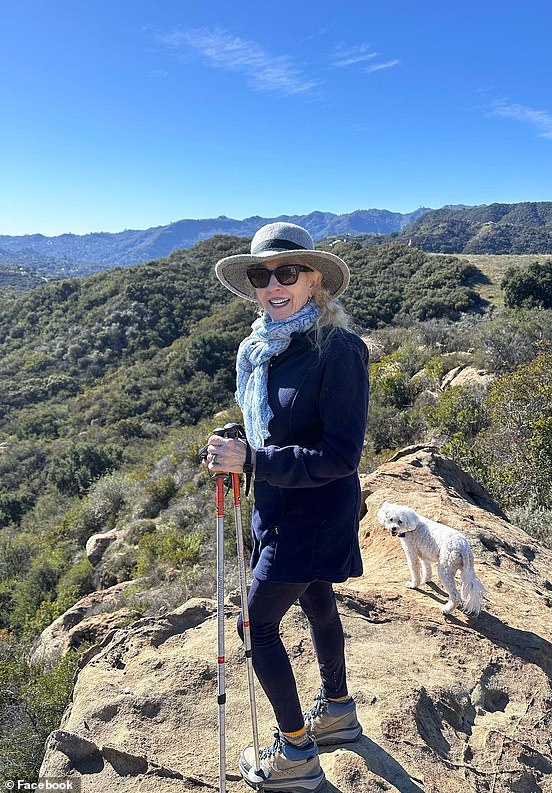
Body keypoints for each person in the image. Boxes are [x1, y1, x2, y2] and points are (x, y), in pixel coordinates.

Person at [208, 222, 369, 792]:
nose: (274, 284)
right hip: (276, 507)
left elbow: (341, 455)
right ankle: (339, 711)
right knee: (319, 599)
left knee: (257, 624)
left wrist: (252, 460)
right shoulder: (262, 349)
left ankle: (298, 754)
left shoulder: (337, 350)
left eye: (287, 272)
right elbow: (271, 426)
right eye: (261, 275)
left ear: (314, 280)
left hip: (316, 511)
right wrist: (242, 445)